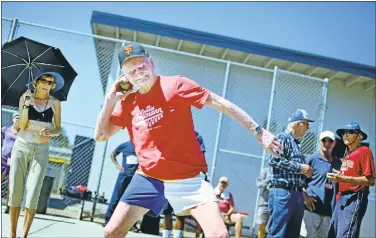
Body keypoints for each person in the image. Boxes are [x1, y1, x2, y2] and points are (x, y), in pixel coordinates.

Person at [94, 41, 282, 238]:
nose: (139, 73)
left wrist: (259, 131)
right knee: (111, 231)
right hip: (149, 178)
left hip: (188, 178)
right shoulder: (128, 103)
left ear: (152, 62)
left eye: (141, 66)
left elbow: (221, 103)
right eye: (131, 70)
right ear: (124, 76)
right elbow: (100, 135)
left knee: (219, 235)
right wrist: (111, 99)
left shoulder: (176, 85)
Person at [8, 71, 64, 238]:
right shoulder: (25, 98)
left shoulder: (55, 103)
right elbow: (23, 126)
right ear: (36, 82)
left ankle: (24, 235)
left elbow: (58, 128)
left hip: (41, 149)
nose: (47, 84)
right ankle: (12, 233)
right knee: (15, 191)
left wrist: (52, 132)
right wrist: (25, 105)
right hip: (22, 146)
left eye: (50, 82)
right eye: (45, 80)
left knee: (33, 193)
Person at [267, 109, 314, 238]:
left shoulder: (295, 143)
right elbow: (274, 160)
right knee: (278, 233)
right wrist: (300, 168)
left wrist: (304, 173)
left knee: (292, 234)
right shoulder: (283, 137)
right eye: (306, 124)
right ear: (298, 124)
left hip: (295, 194)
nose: (308, 128)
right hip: (283, 193)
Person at [327, 122, 375, 238]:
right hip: (341, 199)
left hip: (354, 198)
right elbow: (350, 175)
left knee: (345, 235)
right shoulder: (347, 154)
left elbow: (370, 180)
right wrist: (341, 175)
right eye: (344, 133)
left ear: (359, 136)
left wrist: (343, 178)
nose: (345, 135)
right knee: (333, 234)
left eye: (350, 132)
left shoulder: (364, 151)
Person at [163, 131, 206, 238]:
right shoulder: (170, 133)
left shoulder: (196, 136)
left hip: (185, 178)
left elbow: (201, 155)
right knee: (167, 212)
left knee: (180, 213)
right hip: (169, 177)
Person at [300, 131, 342, 238]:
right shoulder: (312, 159)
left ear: (334, 144)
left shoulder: (338, 163)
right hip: (311, 209)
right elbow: (299, 181)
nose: (326, 143)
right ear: (320, 142)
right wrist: (305, 196)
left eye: (330, 141)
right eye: (324, 140)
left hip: (328, 211)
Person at [104, 141, 139, 227]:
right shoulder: (125, 145)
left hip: (136, 178)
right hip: (124, 176)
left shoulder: (142, 146)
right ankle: (108, 220)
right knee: (116, 198)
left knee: (133, 202)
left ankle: (131, 225)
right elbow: (113, 154)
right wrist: (117, 165)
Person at [1, 112, 20, 214]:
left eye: (19, 118)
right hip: (4, 158)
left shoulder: (23, 133)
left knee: (11, 185)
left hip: (15, 160)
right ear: (13, 119)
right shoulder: (5, 129)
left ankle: (8, 206)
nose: (17, 119)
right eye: (16, 117)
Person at [256, 167, 270, 238]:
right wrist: (268, 180)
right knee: (262, 225)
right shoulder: (266, 170)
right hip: (265, 203)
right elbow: (258, 184)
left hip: (278, 203)